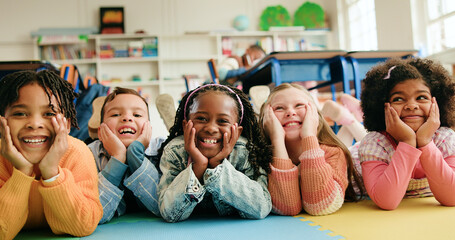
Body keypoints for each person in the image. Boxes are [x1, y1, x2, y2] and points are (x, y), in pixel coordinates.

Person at [0, 70, 102, 240]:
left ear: (67, 124)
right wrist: (23, 171)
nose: (34, 124)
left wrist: (51, 173)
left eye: (49, 114)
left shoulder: (77, 152)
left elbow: (83, 226)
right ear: (2, 122)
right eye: (20, 113)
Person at [157, 84, 272, 222]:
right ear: (185, 124)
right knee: (180, 135)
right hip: (190, 138)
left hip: (211, 139)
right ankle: (172, 120)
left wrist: (216, 166)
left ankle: (260, 111)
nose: (211, 128)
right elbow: (169, 212)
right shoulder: (174, 151)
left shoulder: (246, 151)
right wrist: (198, 166)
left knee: (260, 130)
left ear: (238, 131)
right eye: (201, 118)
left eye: (223, 121)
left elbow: (261, 207)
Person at [358, 57, 455, 210]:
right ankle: (348, 120)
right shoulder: (375, 143)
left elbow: (452, 197)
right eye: (398, 99)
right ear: (383, 106)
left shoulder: (445, 138)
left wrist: (425, 142)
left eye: (421, 97)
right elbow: (387, 201)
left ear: (436, 103)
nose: (411, 105)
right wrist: (407, 142)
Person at [259, 83, 364, 216]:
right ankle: (348, 117)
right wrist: (277, 140)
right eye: (279, 108)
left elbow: (320, 206)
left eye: (299, 105)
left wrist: (309, 135)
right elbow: (287, 208)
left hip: (361, 160)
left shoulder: (334, 153)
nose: (291, 112)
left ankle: (352, 117)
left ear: (314, 115)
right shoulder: (261, 158)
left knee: (365, 140)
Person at [88, 87, 165, 224]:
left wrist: (135, 155)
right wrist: (118, 157)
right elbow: (93, 215)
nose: (127, 118)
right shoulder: (89, 155)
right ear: (101, 132)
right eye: (116, 114)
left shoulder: (161, 150)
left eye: (137, 115)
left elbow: (165, 208)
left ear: (149, 129)